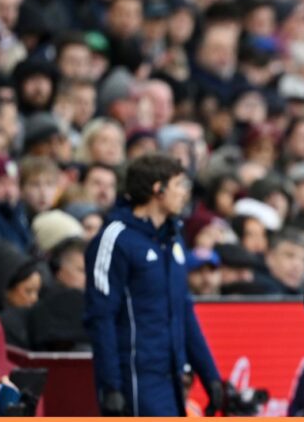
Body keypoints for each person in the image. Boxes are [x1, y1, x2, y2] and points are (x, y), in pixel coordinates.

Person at [83, 153, 223, 416]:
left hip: (172, 378)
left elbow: (184, 312)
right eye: (179, 185)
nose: (185, 192)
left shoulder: (173, 239)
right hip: (134, 378)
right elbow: (101, 317)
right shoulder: (115, 239)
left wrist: (211, 377)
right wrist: (110, 385)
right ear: (158, 189)